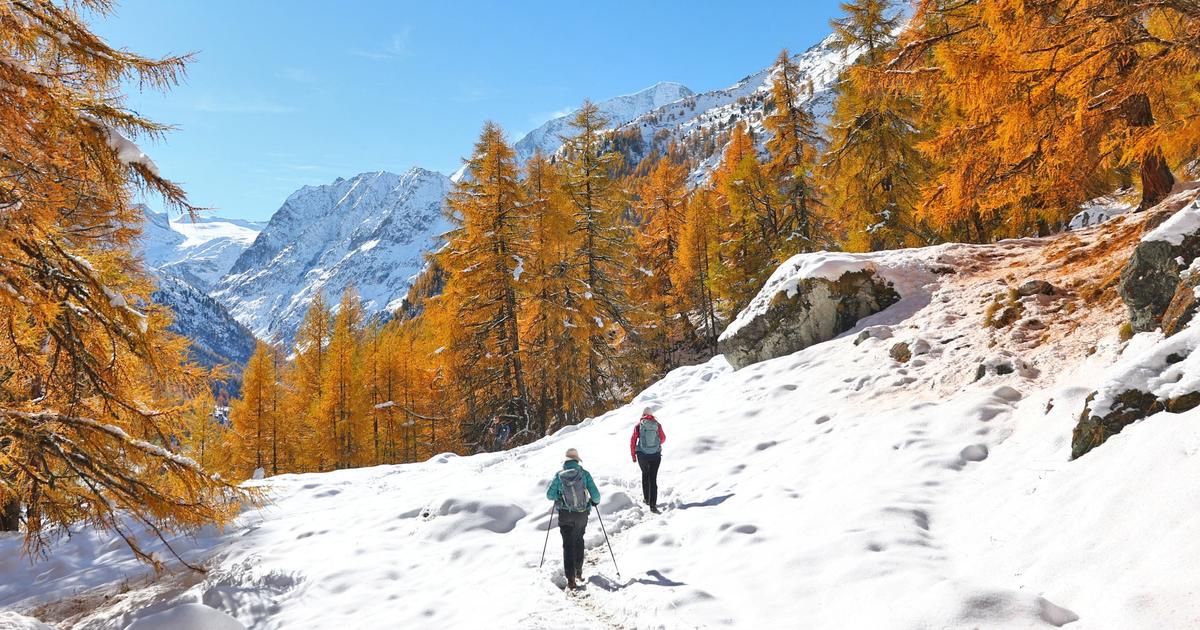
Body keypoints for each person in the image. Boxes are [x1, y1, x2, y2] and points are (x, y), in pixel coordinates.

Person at [545, 448, 600, 590]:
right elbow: (596, 496)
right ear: (577, 460)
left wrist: (558, 496)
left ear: (565, 461)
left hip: (565, 514)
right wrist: (594, 502)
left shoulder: (559, 476)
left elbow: (549, 495)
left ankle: (570, 579)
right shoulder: (584, 474)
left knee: (567, 545)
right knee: (579, 539)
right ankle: (578, 571)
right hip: (581, 514)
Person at [630, 407, 666, 513]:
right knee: (653, 478)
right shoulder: (657, 425)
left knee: (645, 474)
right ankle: (653, 505)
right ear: (652, 415)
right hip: (655, 455)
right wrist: (655, 444)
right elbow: (663, 438)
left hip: (642, 455)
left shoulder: (638, 425)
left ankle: (646, 498)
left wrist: (633, 455)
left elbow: (633, 441)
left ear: (643, 415)